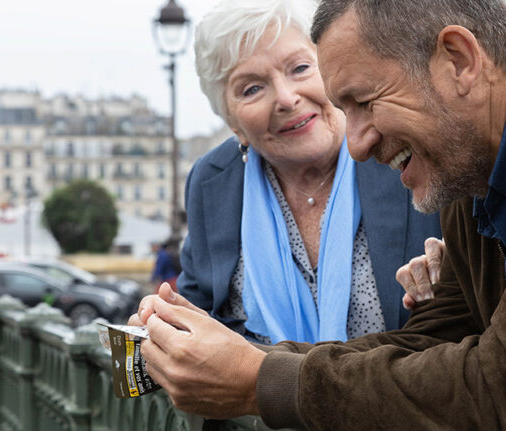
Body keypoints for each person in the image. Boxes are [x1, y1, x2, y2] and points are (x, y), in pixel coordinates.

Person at [131, 0, 506, 428]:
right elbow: (430, 343)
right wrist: (232, 361)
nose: (357, 143)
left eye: (364, 102)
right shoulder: (471, 157)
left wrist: (255, 380)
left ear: (460, 59)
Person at [173, 0, 441, 344]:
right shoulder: (213, 182)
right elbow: (199, 317)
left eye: (300, 68)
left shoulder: (401, 143)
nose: (286, 98)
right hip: (258, 399)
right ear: (233, 123)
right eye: (252, 88)